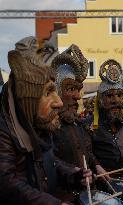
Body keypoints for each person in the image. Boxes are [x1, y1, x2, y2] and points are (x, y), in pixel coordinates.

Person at [0, 38, 92, 205]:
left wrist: (73, 175)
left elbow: (49, 161)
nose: (59, 102)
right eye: (49, 92)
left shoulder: (38, 127)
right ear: (29, 98)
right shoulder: (5, 132)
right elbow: (6, 183)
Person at [52, 44, 110, 196]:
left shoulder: (78, 123)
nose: (78, 96)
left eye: (78, 89)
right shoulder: (48, 126)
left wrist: (97, 166)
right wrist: (73, 173)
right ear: (57, 91)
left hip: (87, 194)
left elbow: (87, 152)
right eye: (71, 89)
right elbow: (48, 160)